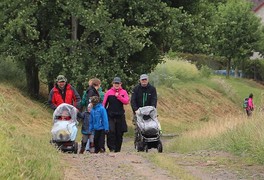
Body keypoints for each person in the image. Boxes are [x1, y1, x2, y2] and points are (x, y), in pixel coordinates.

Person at [103, 77, 130, 152]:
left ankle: (118, 149)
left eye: (118, 83)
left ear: (120, 84)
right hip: (110, 115)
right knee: (111, 131)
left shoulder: (124, 92)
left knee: (119, 133)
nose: (116, 85)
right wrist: (103, 114)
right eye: (115, 83)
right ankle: (112, 148)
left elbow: (126, 102)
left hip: (120, 115)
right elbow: (104, 104)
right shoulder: (108, 92)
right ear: (113, 84)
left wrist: (119, 96)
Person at [130, 74, 158, 146]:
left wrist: (152, 109)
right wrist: (135, 110)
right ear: (140, 80)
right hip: (138, 112)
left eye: (145, 80)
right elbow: (133, 100)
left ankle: (152, 142)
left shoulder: (152, 89)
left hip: (149, 112)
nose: (144, 81)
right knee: (138, 128)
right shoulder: (136, 89)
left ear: (147, 80)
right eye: (142, 80)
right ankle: (138, 143)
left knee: (151, 127)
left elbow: (154, 99)